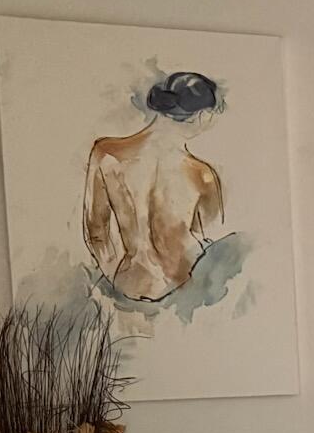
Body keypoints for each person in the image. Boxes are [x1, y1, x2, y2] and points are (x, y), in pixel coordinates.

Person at [81, 70, 225, 302]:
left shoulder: (106, 154)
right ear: (201, 117)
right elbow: (209, 243)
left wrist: (113, 279)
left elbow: (96, 230)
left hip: (129, 283)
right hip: (184, 290)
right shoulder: (202, 175)